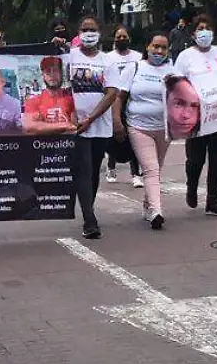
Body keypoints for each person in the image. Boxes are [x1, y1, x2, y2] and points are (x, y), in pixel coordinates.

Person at [174, 17, 217, 216]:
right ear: (193, 34)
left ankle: (213, 199)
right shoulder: (185, 57)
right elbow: (177, 84)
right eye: (200, 29)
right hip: (196, 115)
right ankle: (192, 186)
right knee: (195, 158)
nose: (204, 32)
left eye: (208, 28)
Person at [64, 16, 125, 240]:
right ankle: (90, 220)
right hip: (75, 125)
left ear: (99, 33)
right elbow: (63, 87)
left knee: (93, 171)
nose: (89, 33)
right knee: (83, 168)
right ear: (78, 33)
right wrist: (73, 115)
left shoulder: (107, 61)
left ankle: (87, 207)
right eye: (85, 29)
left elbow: (111, 93)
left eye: (93, 30)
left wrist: (91, 118)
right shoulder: (69, 57)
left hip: (99, 124)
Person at [122, 33, 178, 230]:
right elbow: (120, 95)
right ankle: (156, 211)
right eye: (155, 46)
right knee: (151, 169)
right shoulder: (135, 67)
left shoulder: (173, 70)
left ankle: (147, 205)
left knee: (156, 169)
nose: (159, 51)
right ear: (147, 47)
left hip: (164, 129)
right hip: (138, 126)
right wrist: (116, 122)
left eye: (163, 48)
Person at [103, 27, 142, 186]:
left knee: (133, 136)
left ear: (129, 38)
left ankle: (135, 173)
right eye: (118, 36)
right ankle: (111, 168)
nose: (121, 39)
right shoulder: (108, 58)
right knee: (115, 133)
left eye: (124, 36)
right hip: (113, 98)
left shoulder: (137, 57)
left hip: (131, 100)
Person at [21, 55, 77, 134]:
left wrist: (44, 126)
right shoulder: (33, 101)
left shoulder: (72, 100)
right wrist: (64, 125)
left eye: (55, 70)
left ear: (61, 73)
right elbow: (29, 126)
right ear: (43, 76)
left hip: (68, 144)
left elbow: (75, 127)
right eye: (48, 71)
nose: (52, 75)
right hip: (43, 145)